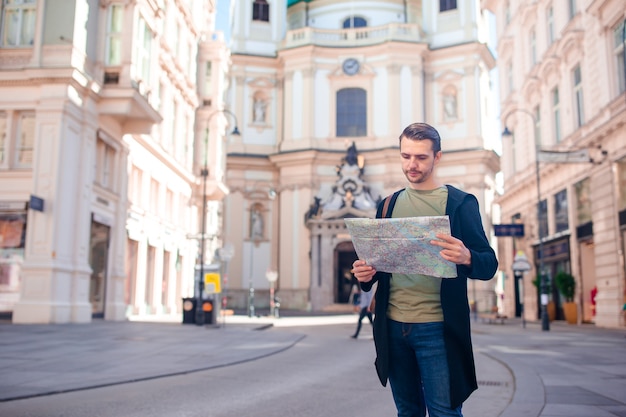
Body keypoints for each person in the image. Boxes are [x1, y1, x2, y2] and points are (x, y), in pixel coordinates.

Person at [351, 122, 497, 417]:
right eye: (406, 156)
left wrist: (467, 256)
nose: (412, 164)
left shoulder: (459, 204)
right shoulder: (387, 205)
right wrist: (365, 274)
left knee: (445, 412)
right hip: (392, 327)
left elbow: (489, 263)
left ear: (437, 157)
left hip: (437, 329)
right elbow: (380, 266)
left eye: (420, 157)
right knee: (407, 413)